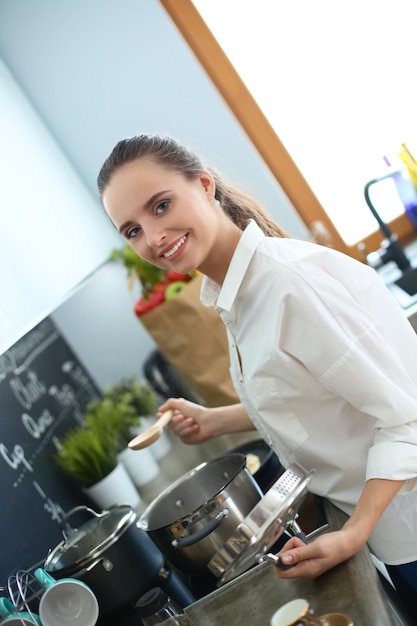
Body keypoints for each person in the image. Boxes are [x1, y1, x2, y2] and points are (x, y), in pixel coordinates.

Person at [98, 133, 417, 616]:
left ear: (204, 185)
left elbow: (406, 419)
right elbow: (307, 393)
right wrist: (216, 421)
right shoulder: (238, 295)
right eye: (132, 230)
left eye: (161, 206)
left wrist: (353, 534)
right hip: (390, 534)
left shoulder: (288, 287)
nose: (153, 237)